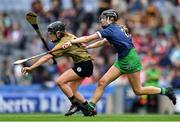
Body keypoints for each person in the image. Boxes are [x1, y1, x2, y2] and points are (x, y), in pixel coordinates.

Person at [62, 9, 177, 115]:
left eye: (103, 18)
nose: (101, 20)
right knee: (102, 82)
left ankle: (166, 91)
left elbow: (88, 38)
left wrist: (72, 42)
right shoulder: (116, 28)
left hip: (130, 59)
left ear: (109, 19)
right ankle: (90, 107)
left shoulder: (111, 29)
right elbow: (104, 42)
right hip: (122, 59)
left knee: (138, 90)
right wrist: (88, 47)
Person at [21, 21, 95, 116]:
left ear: (58, 33)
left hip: (84, 65)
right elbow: (65, 51)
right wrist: (53, 54)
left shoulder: (63, 43)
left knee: (60, 81)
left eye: (52, 34)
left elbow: (46, 57)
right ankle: (89, 110)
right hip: (86, 64)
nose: (50, 36)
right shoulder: (69, 36)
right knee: (72, 91)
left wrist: (31, 68)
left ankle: (75, 105)